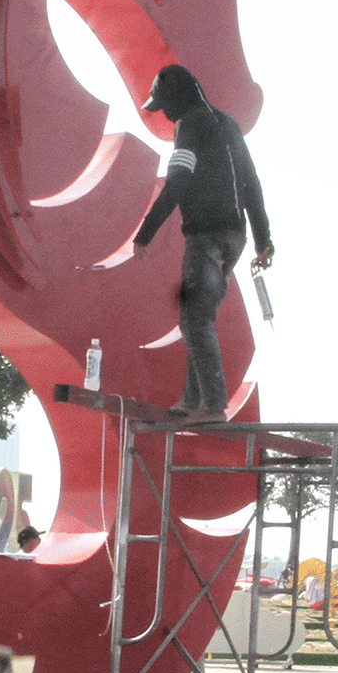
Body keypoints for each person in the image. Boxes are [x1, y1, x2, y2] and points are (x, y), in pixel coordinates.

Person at [129, 63, 272, 425]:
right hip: (234, 236)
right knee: (200, 316)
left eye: (164, 106)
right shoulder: (227, 124)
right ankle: (193, 400)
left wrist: (145, 232)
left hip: (206, 234)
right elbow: (251, 183)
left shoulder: (188, 125)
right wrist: (263, 239)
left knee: (195, 320)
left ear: (177, 100)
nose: (164, 114)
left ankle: (212, 405)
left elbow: (177, 182)